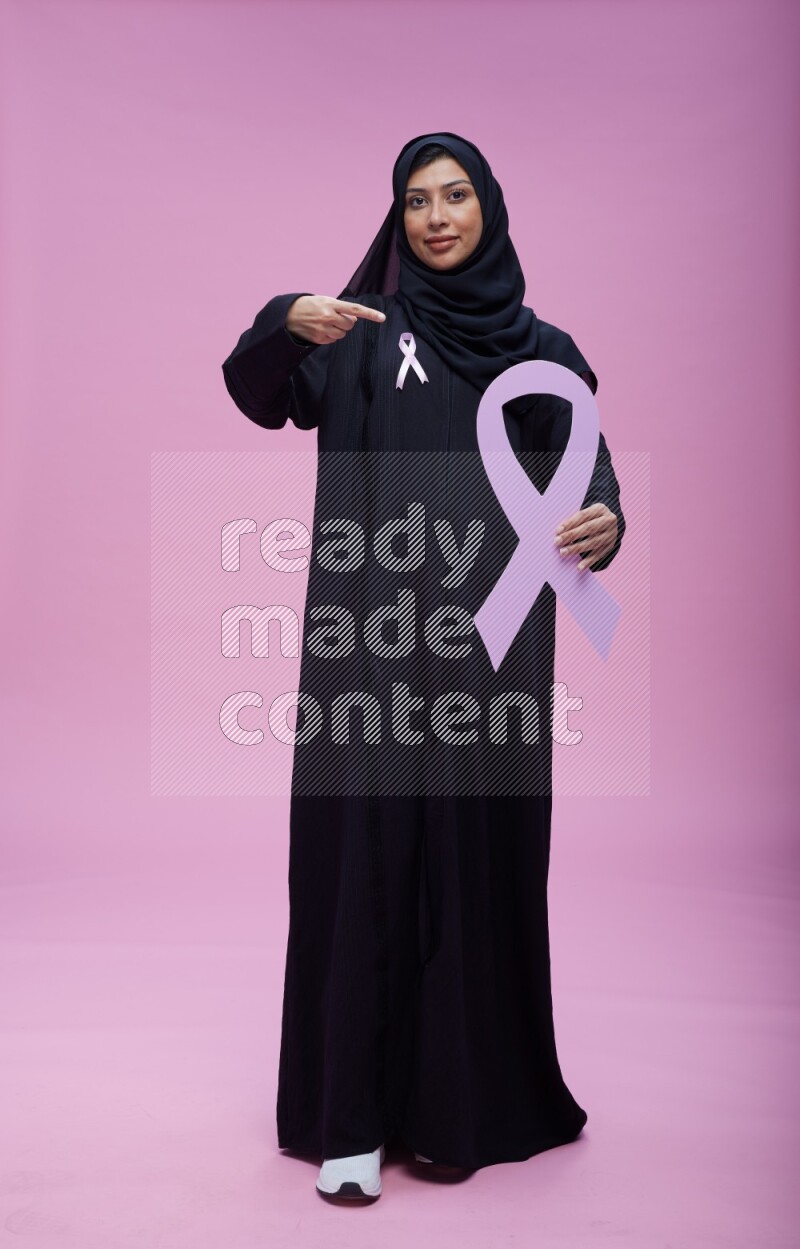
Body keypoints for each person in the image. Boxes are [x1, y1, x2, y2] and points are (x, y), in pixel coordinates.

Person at [221, 132, 625, 1202]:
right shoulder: (355, 329)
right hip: (367, 652)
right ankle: (347, 1119)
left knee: (473, 862)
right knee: (361, 864)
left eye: (454, 196)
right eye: (414, 201)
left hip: (489, 661)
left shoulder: (542, 347)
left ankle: (460, 1110)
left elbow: (587, 467)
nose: (436, 216)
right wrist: (280, 322)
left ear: (487, 207)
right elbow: (259, 389)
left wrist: (604, 520)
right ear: (393, 219)